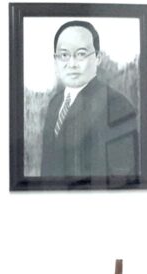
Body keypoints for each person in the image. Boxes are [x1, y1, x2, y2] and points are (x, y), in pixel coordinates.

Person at [40, 20, 138, 181]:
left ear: (98, 57)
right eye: (64, 55)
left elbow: (122, 179)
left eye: (81, 54)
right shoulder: (55, 104)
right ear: (55, 60)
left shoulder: (117, 105)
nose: (72, 64)